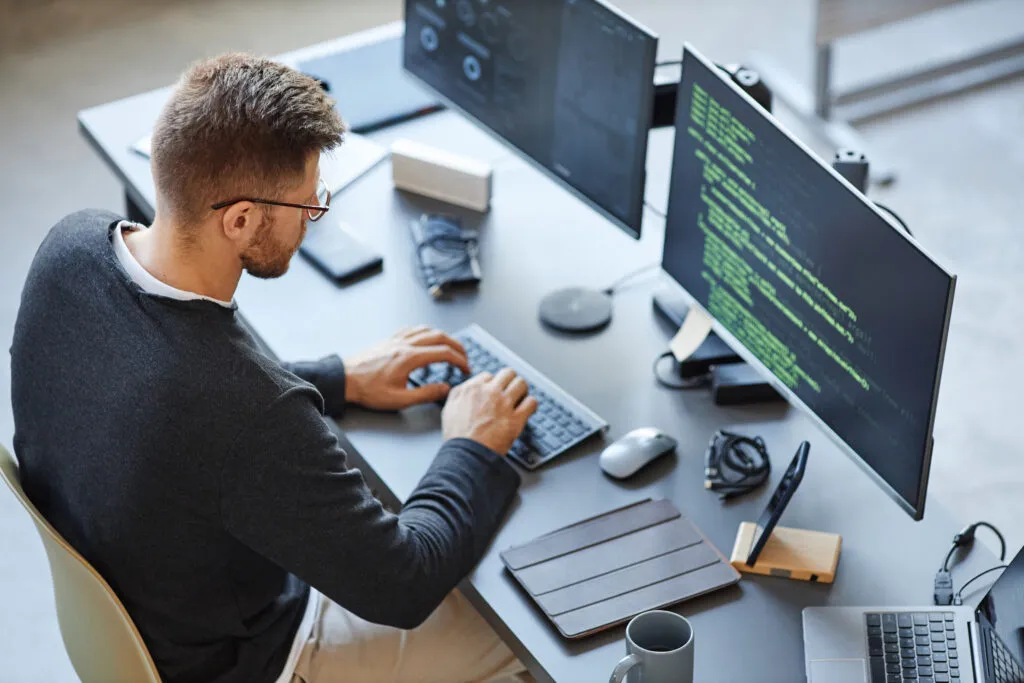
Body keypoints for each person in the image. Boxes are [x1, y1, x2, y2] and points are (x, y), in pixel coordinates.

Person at [10, 53, 538, 683]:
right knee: (527, 625)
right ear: (239, 220)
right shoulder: (249, 413)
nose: (313, 215)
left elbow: (166, 387)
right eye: (306, 205)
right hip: (254, 660)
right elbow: (404, 583)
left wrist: (339, 377)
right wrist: (471, 447)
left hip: (157, 612)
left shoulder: (69, 248)